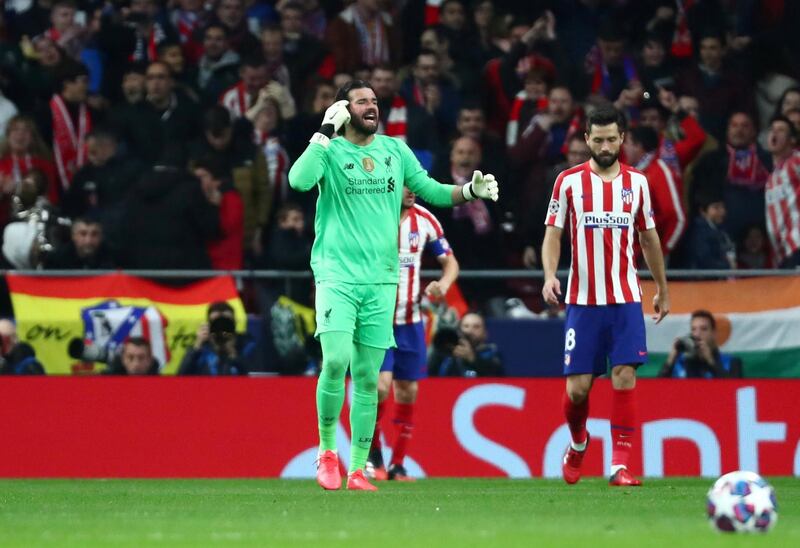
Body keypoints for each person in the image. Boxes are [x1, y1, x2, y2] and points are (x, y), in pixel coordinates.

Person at [288, 79, 498, 491]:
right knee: (334, 362)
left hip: (383, 280)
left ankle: (358, 469)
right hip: (336, 275)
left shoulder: (395, 151)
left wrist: (470, 191)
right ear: (344, 110)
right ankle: (327, 450)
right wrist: (324, 133)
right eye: (362, 101)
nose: (372, 106)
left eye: (374, 101)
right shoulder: (329, 151)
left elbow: (433, 191)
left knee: (368, 377)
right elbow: (298, 180)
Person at [541, 106, 669, 487]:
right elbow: (553, 233)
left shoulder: (639, 183)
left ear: (622, 138)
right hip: (583, 301)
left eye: (611, 138)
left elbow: (649, 238)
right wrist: (550, 275)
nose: (605, 145)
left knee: (625, 375)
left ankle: (620, 465)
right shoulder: (567, 182)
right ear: (587, 140)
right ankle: (579, 443)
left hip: (626, 297)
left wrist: (662, 286)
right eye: (597, 139)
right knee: (578, 389)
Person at [367, 186, 459, 482]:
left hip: (410, 321)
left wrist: (443, 285)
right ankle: (372, 456)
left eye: (414, 184)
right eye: (404, 183)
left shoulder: (426, 221)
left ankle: (398, 464)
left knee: (408, 391)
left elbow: (450, 262)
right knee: (380, 387)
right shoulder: (370, 216)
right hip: (376, 319)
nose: (411, 191)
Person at [658, 310, 743, 379]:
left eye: (703, 329)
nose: (697, 334)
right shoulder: (679, 363)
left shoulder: (731, 362)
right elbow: (656, 391)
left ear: (713, 333)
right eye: (693, 329)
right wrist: (671, 359)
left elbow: (733, 390)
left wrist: (711, 362)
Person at [178, 301, 255, 375]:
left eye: (226, 323)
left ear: (234, 324)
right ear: (209, 325)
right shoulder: (201, 349)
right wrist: (197, 346)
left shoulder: (247, 345)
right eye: (216, 323)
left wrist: (233, 354)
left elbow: (255, 378)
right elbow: (180, 379)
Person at [764, 115, 800, 268]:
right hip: (784, 253)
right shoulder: (770, 179)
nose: (774, 133)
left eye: (781, 130)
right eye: (772, 130)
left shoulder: (796, 161)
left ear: (792, 140)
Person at [427, 311, 503, 378]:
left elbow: (497, 377)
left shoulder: (492, 353)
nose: (470, 331)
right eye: (466, 326)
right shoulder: (447, 355)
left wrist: (472, 358)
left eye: (476, 327)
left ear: (485, 333)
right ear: (459, 330)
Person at [43, 216, 115, 269]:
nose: (88, 240)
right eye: (83, 234)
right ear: (73, 236)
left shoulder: (113, 259)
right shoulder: (56, 260)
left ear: (101, 236)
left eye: (94, 234)